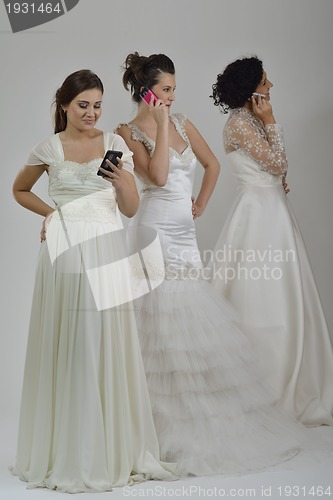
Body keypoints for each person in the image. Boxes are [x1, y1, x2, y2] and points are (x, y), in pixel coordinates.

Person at [115, 52, 312, 477]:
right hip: (153, 233)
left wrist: (201, 202)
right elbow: (161, 177)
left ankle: (198, 413)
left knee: (193, 322)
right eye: (164, 90)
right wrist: (162, 126)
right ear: (145, 91)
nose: (170, 97)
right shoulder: (127, 132)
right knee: (158, 324)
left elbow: (212, 163)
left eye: (173, 90)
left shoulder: (184, 120)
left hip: (184, 234)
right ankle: (156, 425)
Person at [11, 69, 178, 493]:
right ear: (64, 104)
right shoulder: (49, 147)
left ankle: (107, 448)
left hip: (105, 251)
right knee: (73, 343)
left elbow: (129, 208)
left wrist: (124, 182)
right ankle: (70, 450)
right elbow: (20, 190)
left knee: (102, 344)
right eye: (83, 104)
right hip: (64, 253)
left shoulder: (114, 144)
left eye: (98, 104)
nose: (91, 112)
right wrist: (50, 213)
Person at [209, 56, 333, 426]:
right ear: (252, 89)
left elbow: (277, 168)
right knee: (261, 297)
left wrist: (277, 169)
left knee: (288, 294)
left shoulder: (249, 122)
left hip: (273, 210)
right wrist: (272, 122)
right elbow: (278, 164)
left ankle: (295, 380)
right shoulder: (241, 124)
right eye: (265, 81)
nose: (271, 86)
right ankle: (262, 388)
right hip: (260, 216)